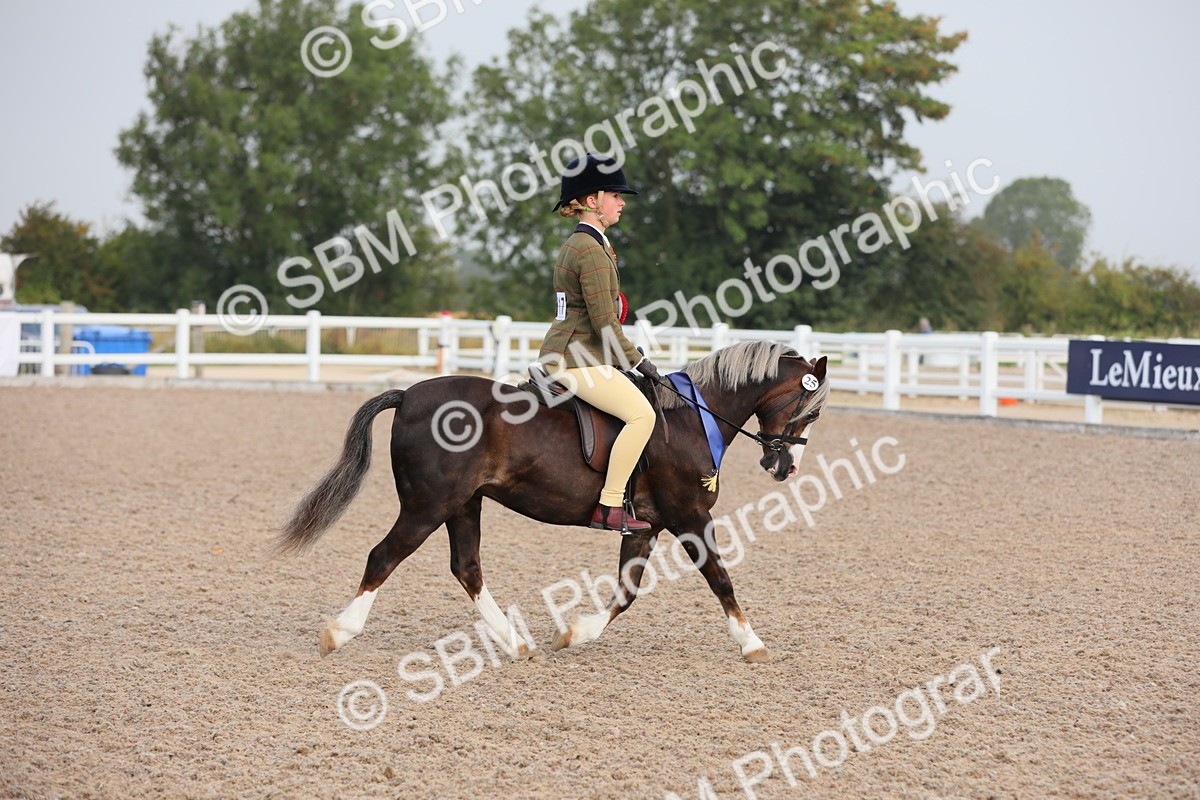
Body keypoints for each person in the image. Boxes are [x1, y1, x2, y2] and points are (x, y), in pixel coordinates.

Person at [538, 153, 660, 533]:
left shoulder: (587, 243)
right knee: (642, 416)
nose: (622, 203)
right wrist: (637, 361)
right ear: (592, 201)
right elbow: (604, 324)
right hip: (576, 358)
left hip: (574, 352)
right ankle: (609, 505)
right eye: (616, 195)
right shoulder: (590, 250)